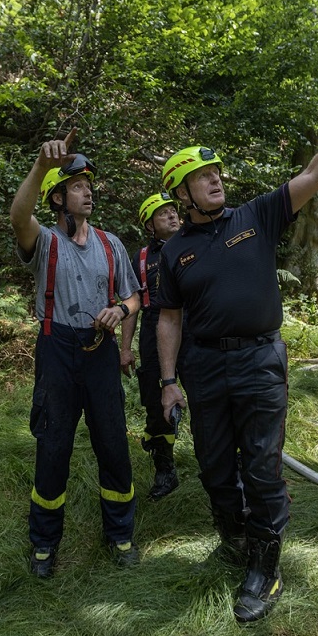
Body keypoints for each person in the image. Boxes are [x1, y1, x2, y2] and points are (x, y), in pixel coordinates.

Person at [154, 61, 318, 623]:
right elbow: (168, 318)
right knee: (216, 469)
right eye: (202, 176)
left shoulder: (257, 215)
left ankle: (265, 568)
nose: (216, 179)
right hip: (202, 366)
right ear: (182, 193)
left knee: (261, 469)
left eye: (216, 172)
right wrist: (169, 382)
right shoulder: (174, 253)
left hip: (259, 360)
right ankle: (235, 539)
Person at [10, 133, 142, 578]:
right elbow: (17, 215)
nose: (88, 192)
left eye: (89, 185)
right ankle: (44, 545)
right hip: (57, 353)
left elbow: (134, 298)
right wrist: (39, 167)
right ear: (58, 198)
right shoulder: (44, 241)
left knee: (113, 444)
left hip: (101, 353)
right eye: (78, 186)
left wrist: (120, 310)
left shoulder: (110, 244)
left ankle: (120, 533)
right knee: (53, 448)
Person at [121, 192, 183, 500]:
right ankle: (165, 468)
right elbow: (132, 303)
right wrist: (125, 347)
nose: (172, 216)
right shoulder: (142, 258)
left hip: (194, 325)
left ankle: (225, 462)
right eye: (163, 214)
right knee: (156, 402)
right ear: (150, 225)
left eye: (173, 210)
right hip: (153, 326)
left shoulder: (195, 242)